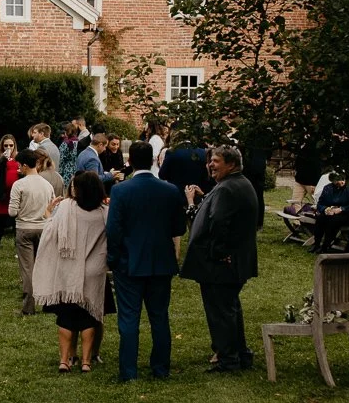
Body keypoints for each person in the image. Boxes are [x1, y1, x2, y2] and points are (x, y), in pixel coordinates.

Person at [105, 142, 186, 381]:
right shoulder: (170, 190)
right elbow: (179, 227)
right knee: (159, 317)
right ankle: (161, 368)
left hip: (129, 261)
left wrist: (113, 258)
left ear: (130, 162)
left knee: (129, 317)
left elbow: (114, 229)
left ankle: (129, 371)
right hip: (161, 260)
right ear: (152, 160)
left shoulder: (121, 191)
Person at [180, 145, 261, 373]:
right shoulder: (237, 184)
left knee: (221, 311)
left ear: (231, 164)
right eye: (210, 161)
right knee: (230, 308)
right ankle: (241, 354)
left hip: (222, 264)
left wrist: (218, 254)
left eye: (216, 161)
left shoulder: (227, 189)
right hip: (236, 261)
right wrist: (201, 199)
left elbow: (218, 223)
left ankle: (228, 359)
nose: (210, 165)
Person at [32, 171, 109, 373]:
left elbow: (51, 233)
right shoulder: (104, 212)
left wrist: (48, 215)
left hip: (69, 269)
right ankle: (86, 361)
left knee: (66, 317)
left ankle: (65, 360)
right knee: (89, 317)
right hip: (94, 270)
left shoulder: (66, 207)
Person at [8, 149, 55, 315]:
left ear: (26, 165)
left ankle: (29, 307)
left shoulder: (19, 185)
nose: (18, 168)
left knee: (28, 269)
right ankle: (48, 303)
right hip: (43, 228)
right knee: (44, 266)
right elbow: (52, 208)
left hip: (25, 229)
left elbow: (12, 212)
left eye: (20, 165)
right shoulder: (47, 185)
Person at [312, 170, 349, 253]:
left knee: (333, 221)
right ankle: (316, 244)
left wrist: (341, 209)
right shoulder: (327, 188)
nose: (340, 182)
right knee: (320, 218)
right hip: (330, 212)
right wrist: (325, 209)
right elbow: (320, 203)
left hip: (347, 214)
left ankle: (325, 246)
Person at [0, 134, 20, 251]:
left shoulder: (18, 157)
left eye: (11, 145)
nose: (8, 147)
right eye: (6, 145)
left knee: (16, 218)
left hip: (15, 192)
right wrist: (2, 158)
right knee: (1, 217)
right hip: (3, 191)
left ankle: (17, 242)